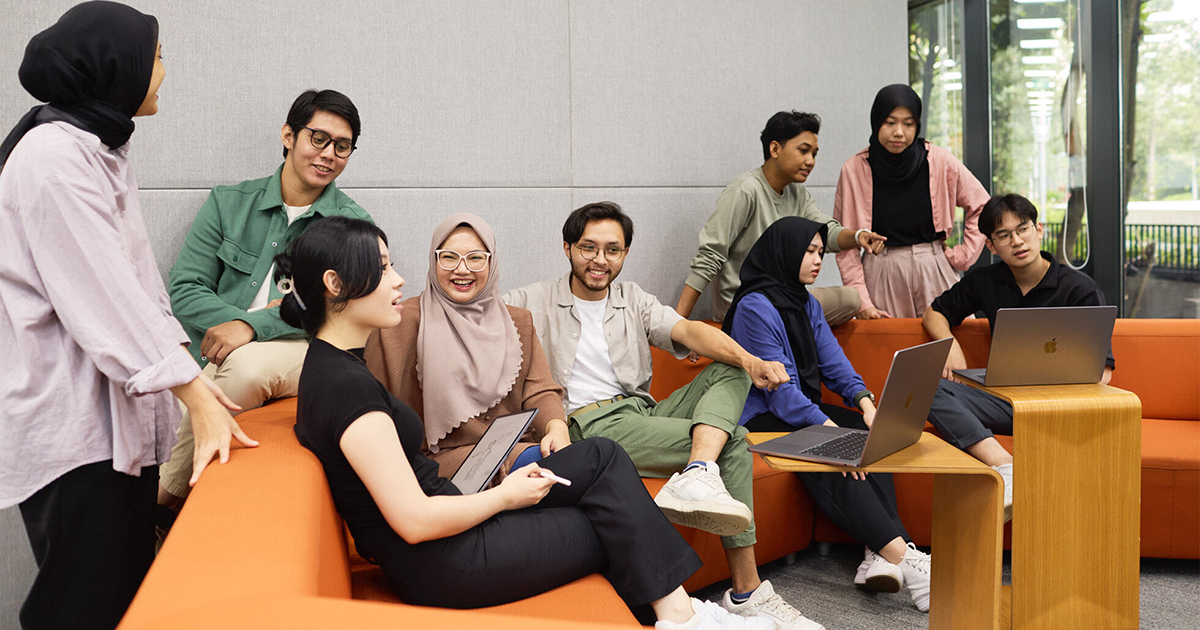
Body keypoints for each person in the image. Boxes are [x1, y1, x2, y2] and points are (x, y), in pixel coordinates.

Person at [277, 216, 773, 630]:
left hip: (452, 531)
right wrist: (506, 496)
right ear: (335, 285)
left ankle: (679, 614)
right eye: (382, 268)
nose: (399, 280)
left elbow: (538, 393)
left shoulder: (336, 366)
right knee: (612, 513)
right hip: (447, 560)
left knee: (604, 467)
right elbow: (412, 521)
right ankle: (686, 617)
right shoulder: (348, 386)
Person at [0, 3, 253, 629]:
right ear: (118, 66)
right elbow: (104, 298)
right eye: (159, 56)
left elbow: (140, 294)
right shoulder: (53, 157)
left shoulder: (95, 146)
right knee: (84, 604)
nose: (164, 71)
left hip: (112, 425)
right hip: (75, 429)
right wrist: (197, 396)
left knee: (122, 596)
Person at [506, 202, 824, 630]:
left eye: (612, 250)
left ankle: (698, 469)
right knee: (733, 438)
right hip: (590, 424)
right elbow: (478, 315)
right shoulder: (532, 300)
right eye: (588, 248)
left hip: (642, 411)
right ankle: (746, 590)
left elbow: (689, 331)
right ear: (567, 247)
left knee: (729, 367)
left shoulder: (632, 298)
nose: (600, 260)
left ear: (625, 253)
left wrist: (749, 360)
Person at [158, 89, 372, 512]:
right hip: (210, 350)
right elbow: (184, 289)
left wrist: (254, 328)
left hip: (301, 352)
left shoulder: (352, 226)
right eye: (318, 138)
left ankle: (166, 500)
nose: (329, 154)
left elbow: (339, 310)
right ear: (289, 135)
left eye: (342, 146)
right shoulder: (228, 203)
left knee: (247, 363)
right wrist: (242, 322)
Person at [723, 216, 933, 613]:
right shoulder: (754, 306)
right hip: (757, 418)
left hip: (795, 409)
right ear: (784, 252)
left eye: (821, 252)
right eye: (809, 252)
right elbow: (779, 392)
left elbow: (834, 362)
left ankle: (878, 554)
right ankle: (905, 557)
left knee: (873, 436)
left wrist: (866, 403)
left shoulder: (804, 301)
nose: (819, 260)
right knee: (832, 449)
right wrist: (831, 431)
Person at [922, 193, 1116, 521]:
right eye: (1004, 235)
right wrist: (950, 342)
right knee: (927, 385)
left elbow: (1103, 374)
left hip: (1061, 408)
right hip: (1007, 402)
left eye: (1023, 229)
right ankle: (1005, 466)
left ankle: (1005, 471)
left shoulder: (1080, 289)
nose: (1017, 241)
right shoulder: (986, 280)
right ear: (991, 246)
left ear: (1039, 229)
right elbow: (934, 313)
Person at [364, 213, 570, 479]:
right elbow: (377, 408)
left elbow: (540, 390)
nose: (462, 270)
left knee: (594, 460)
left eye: (475, 258)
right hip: (437, 460)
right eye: (449, 257)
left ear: (491, 263)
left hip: (510, 449)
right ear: (433, 260)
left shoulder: (518, 322)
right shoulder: (399, 323)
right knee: (597, 459)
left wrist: (557, 427)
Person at [677, 110, 885, 327]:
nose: (810, 161)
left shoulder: (797, 193)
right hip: (745, 306)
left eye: (814, 154)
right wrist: (679, 324)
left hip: (783, 299)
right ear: (775, 149)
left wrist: (858, 236)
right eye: (803, 151)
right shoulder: (745, 190)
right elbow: (709, 256)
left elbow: (827, 231)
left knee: (851, 299)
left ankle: (796, 334)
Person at [833, 84, 990, 319]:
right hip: (881, 268)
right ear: (876, 122)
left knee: (953, 344)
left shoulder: (938, 160)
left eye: (908, 124)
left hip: (933, 265)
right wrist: (862, 302)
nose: (899, 132)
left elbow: (982, 205)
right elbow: (845, 242)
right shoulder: (854, 169)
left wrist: (963, 255)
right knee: (888, 349)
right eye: (890, 122)